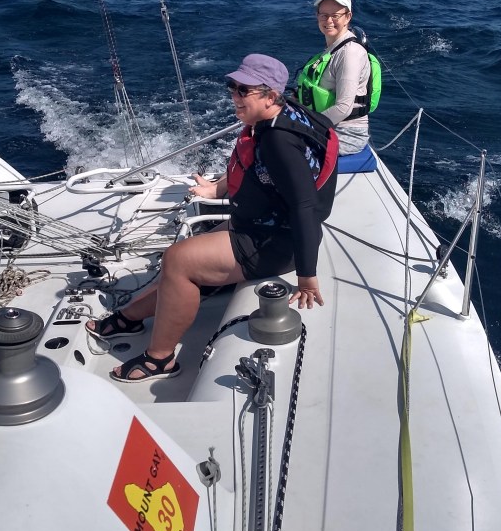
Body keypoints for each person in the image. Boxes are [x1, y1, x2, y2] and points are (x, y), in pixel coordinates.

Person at [86, 53, 338, 383]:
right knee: (188, 257)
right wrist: (217, 189)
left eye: (243, 90)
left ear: (271, 95)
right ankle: (130, 317)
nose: (234, 95)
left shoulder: (279, 141)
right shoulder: (283, 116)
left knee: (178, 260)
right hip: (265, 225)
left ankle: (160, 359)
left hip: (278, 242)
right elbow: (257, 172)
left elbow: (304, 207)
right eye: (232, 86)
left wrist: (307, 276)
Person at [295, 0, 380, 156]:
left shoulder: (349, 53)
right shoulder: (332, 49)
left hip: (346, 134)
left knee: (279, 145)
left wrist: (306, 126)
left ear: (348, 17)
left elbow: (343, 108)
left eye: (335, 15)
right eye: (324, 15)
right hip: (326, 125)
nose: (329, 20)